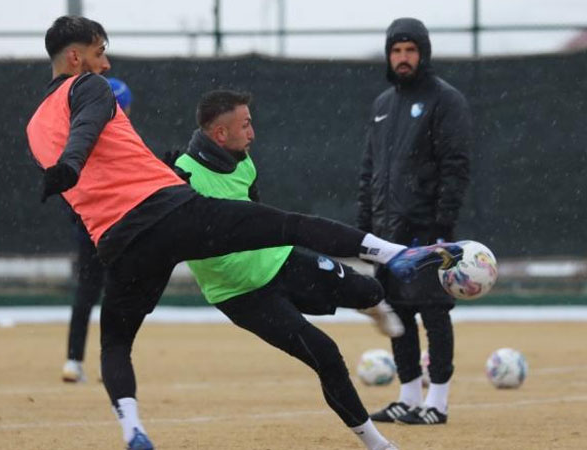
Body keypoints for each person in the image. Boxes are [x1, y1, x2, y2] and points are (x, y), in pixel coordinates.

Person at [27, 16, 461, 450]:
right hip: (171, 215)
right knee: (289, 224)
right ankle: (395, 254)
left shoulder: (33, 130)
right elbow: (86, 125)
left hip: (121, 244)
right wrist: (72, 163)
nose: (105, 65)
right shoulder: (91, 88)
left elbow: (83, 155)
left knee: (116, 343)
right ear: (75, 56)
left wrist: (67, 169)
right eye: (100, 53)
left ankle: (133, 429)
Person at [164, 89, 404, 449]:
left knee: (371, 291)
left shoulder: (243, 161)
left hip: (281, 260)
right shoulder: (181, 179)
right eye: (245, 125)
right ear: (219, 134)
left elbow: (258, 217)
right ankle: (375, 443)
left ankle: (373, 307)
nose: (252, 132)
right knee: (325, 353)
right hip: (242, 296)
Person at [359, 18, 472, 426]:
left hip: (427, 228)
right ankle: (408, 397)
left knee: (433, 309)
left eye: (410, 50)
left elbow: (455, 166)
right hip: (387, 231)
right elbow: (370, 170)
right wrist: (364, 225)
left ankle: (437, 403)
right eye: (396, 51)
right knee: (396, 311)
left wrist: (443, 224)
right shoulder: (382, 105)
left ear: (423, 53)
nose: (403, 58)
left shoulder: (446, 100)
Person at [61, 76, 132, 384]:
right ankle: (112, 362)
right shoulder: (124, 140)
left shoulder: (80, 136)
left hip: (90, 227)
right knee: (117, 296)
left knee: (86, 293)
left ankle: (73, 361)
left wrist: (79, 218)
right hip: (117, 229)